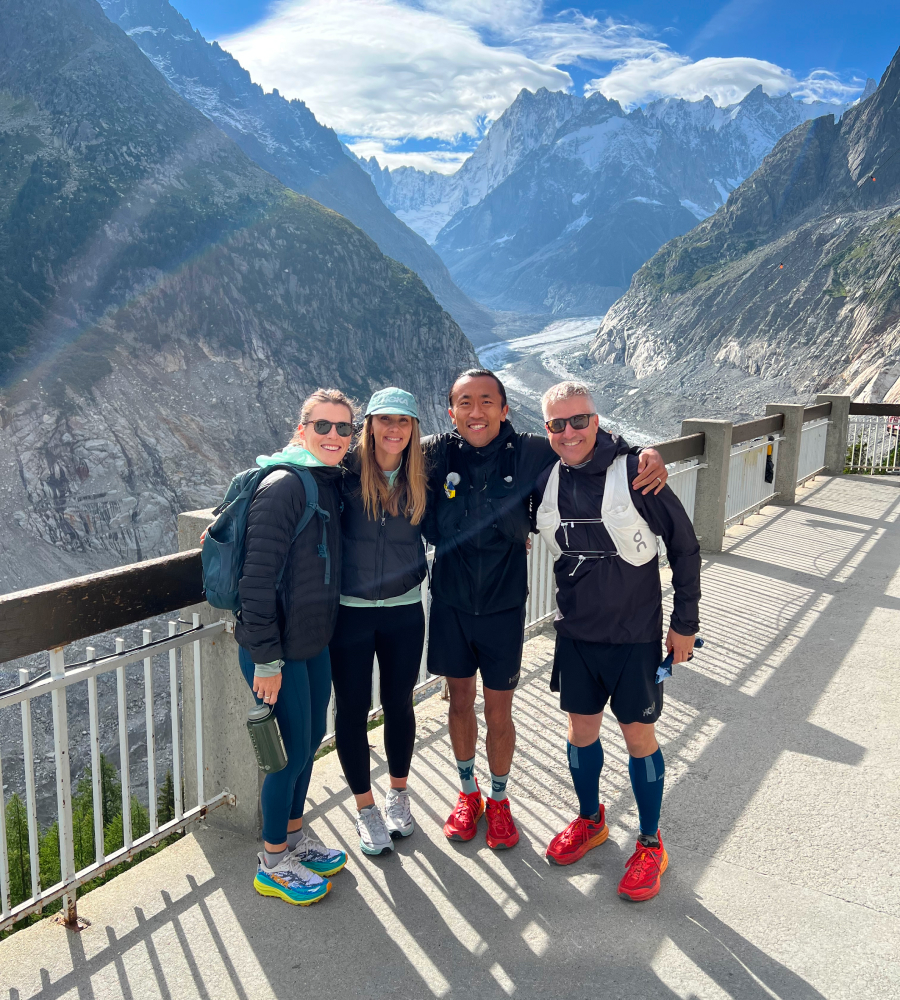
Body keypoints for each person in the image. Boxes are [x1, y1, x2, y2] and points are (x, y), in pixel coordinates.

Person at [421, 369, 669, 851]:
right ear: (451, 412)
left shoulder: (531, 449)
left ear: (505, 408)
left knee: (498, 710)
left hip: (503, 604)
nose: (477, 411)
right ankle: (467, 793)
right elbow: (382, 446)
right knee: (457, 703)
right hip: (450, 601)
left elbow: (586, 437)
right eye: (465, 403)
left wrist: (642, 452)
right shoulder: (435, 451)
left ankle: (498, 802)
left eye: (488, 401)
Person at [535, 381, 700, 902]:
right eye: (558, 424)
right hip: (578, 634)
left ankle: (650, 843)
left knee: (638, 736)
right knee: (580, 730)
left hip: (634, 637)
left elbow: (685, 546)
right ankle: (591, 820)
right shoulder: (545, 480)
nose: (570, 432)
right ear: (547, 430)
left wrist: (684, 623)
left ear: (598, 420)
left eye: (579, 420)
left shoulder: (636, 473)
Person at [235, 388, 355, 906]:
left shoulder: (326, 480)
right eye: (322, 426)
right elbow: (255, 583)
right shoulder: (286, 485)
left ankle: (295, 835)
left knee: (308, 742)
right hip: (275, 651)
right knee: (286, 756)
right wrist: (265, 658)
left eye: (343, 428)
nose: (333, 436)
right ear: (301, 429)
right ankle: (272, 861)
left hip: (311, 642)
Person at [330, 388, 429, 856]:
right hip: (349, 612)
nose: (394, 430)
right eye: (385, 420)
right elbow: (278, 475)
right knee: (350, 710)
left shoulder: (421, 472)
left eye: (404, 421)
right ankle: (366, 809)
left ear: (414, 428)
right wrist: (231, 512)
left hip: (405, 609)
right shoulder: (340, 472)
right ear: (369, 425)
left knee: (398, 704)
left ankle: (399, 795)